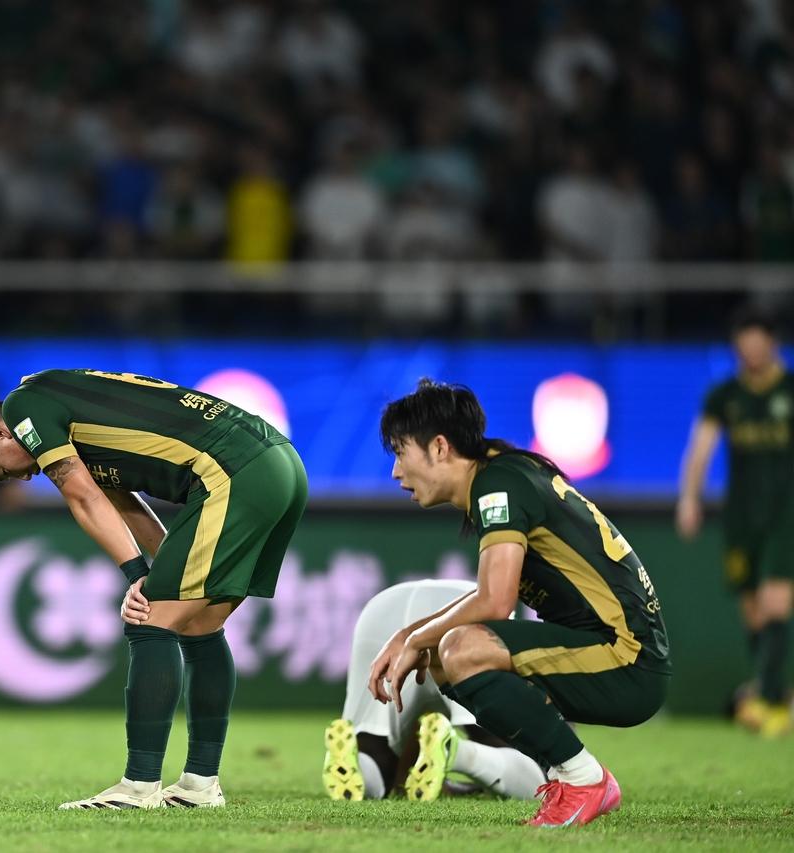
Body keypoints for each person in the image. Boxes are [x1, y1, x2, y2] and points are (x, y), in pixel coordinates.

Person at [0, 369, 307, 809]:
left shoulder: (24, 407)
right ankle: (199, 785)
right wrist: (160, 570)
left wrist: (138, 578)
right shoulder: (69, 416)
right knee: (199, 626)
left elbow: (82, 498)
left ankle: (139, 786)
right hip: (278, 463)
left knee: (148, 621)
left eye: (3, 471)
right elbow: (122, 502)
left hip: (234, 472)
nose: (20, 479)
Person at [368, 379, 671, 827]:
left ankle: (583, 779)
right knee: (444, 652)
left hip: (626, 659)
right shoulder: (502, 473)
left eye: (400, 452)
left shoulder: (498, 486)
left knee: (458, 648)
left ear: (439, 447)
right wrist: (413, 636)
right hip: (613, 650)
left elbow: (495, 603)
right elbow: (493, 601)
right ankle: (566, 777)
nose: (396, 472)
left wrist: (413, 638)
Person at [677, 307, 792, 737]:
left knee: (776, 601)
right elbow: (701, 447)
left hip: (786, 512)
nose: (752, 354)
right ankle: (772, 690)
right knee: (753, 610)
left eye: (758, 345)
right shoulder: (724, 395)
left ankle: (770, 700)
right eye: (745, 347)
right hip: (742, 515)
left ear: (772, 344)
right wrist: (690, 497)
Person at [324, 579, 545, 802]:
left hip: (383, 609)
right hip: (465, 609)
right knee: (534, 774)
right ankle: (452, 752)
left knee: (376, 751)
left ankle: (357, 761)